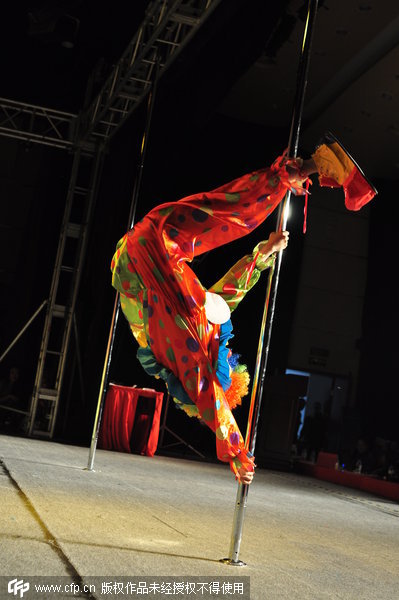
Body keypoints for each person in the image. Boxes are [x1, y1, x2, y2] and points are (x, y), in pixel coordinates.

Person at [110, 137, 377, 484]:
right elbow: (226, 296)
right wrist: (264, 253)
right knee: (226, 212)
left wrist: (236, 452)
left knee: (234, 214)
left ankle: (301, 170)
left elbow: (210, 397)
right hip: (155, 245)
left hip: (146, 257)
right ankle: (306, 167)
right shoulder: (197, 330)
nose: (230, 356)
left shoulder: (182, 350)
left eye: (227, 364)